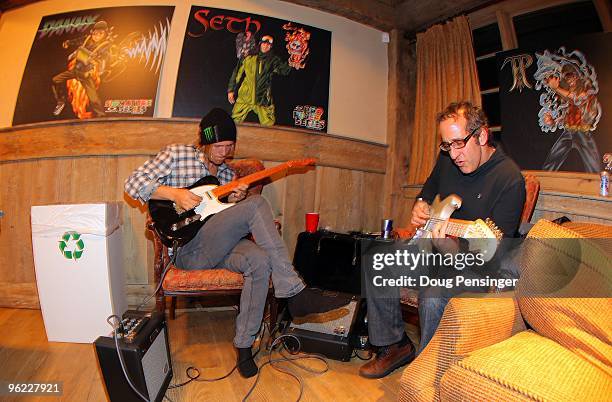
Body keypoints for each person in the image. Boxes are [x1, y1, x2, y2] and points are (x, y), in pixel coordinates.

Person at [124, 108, 346, 378]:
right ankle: (294, 292)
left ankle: (243, 345)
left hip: (219, 245)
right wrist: (176, 194)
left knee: (260, 260)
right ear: (204, 141)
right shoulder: (177, 154)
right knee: (257, 204)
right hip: (188, 249)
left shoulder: (227, 175)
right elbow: (132, 183)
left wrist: (235, 199)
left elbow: (221, 216)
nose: (224, 153)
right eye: (218, 146)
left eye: (229, 146)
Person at [359, 101, 525, 379]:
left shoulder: (509, 179)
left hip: (476, 265)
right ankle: (394, 346)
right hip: (434, 248)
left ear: (482, 136)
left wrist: (451, 247)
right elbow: (429, 188)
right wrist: (420, 204)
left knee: (433, 295)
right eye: (447, 145)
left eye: (459, 143)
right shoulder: (447, 158)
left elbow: (494, 254)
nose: (454, 154)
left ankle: (428, 374)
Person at [52, 20, 113, 117]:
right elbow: (77, 40)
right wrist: (68, 42)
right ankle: (61, 101)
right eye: (95, 33)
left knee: (93, 98)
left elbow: (106, 57)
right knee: (56, 80)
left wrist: (97, 62)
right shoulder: (87, 38)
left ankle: (101, 115)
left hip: (86, 74)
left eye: (100, 33)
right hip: (75, 70)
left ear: (105, 34)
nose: (96, 36)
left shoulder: (105, 45)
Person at [227, 35, 291, 126]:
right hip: (245, 96)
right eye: (264, 43)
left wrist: (292, 61)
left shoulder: (273, 60)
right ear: (260, 44)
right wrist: (231, 90)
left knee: (269, 124)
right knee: (234, 121)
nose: (266, 46)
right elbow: (237, 73)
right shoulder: (248, 57)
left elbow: (284, 70)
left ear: (271, 46)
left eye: (269, 45)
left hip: (262, 98)